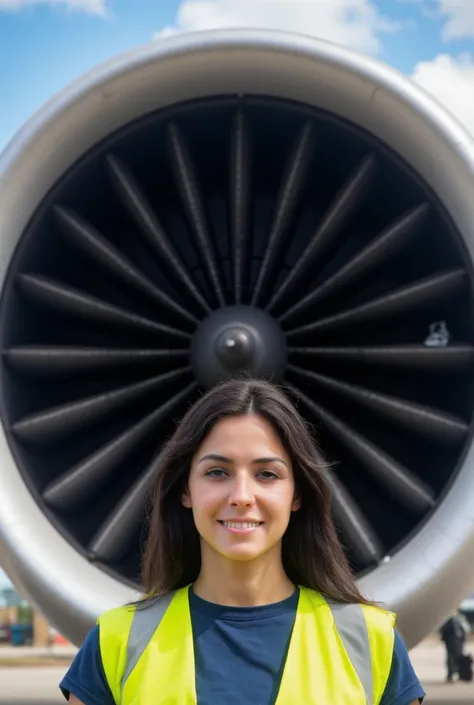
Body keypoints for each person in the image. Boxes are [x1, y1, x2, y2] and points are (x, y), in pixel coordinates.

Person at [59, 377, 425, 704]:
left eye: (267, 474)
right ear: (186, 489)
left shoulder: (371, 642)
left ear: (297, 495)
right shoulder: (115, 643)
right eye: (217, 472)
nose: (242, 496)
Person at [439, 611, 470, 682]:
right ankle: (456, 674)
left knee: (451, 658)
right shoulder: (459, 618)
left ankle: (452, 675)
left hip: (452, 641)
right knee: (455, 658)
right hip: (458, 640)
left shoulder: (448, 619)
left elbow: (444, 631)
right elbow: (465, 629)